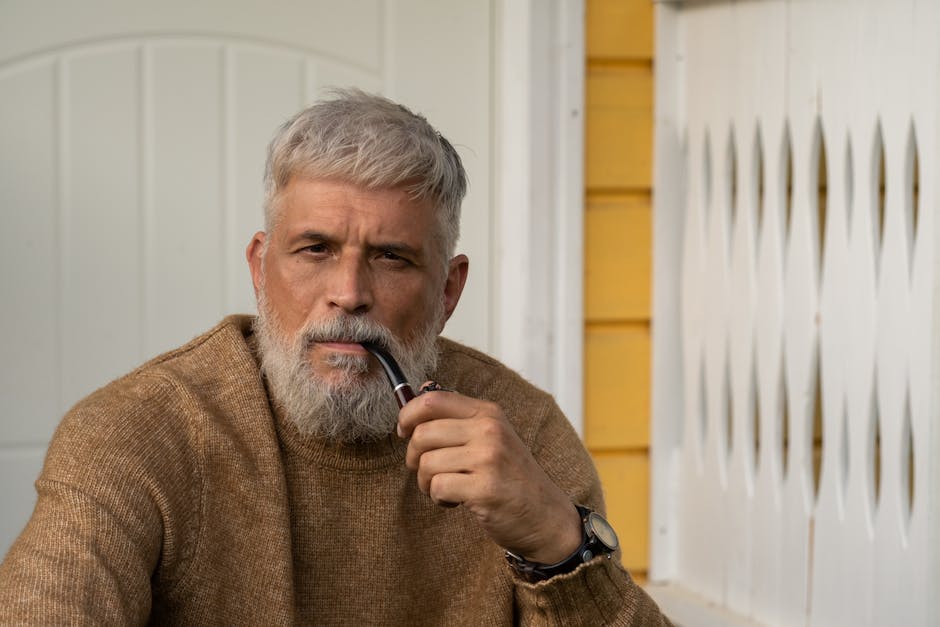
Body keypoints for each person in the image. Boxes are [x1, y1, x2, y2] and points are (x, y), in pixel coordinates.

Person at [0, 90, 670, 625]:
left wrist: (556, 540)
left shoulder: (525, 431)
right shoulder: (134, 435)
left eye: (391, 257)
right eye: (315, 249)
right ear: (261, 269)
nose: (349, 295)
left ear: (449, 288)